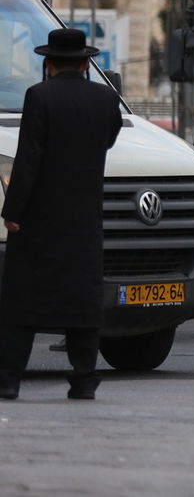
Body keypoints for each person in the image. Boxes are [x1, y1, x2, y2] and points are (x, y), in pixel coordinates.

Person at [0, 29, 122, 401]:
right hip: (85, 217)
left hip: (41, 217)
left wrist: (13, 210)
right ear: (87, 63)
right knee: (83, 302)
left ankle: (8, 380)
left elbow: (29, 157)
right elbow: (110, 137)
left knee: (23, 300)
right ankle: (84, 379)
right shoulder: (106, 97)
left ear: (47, 63)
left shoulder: (39, 96)